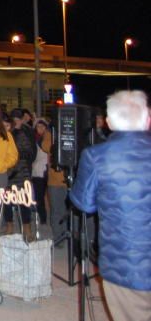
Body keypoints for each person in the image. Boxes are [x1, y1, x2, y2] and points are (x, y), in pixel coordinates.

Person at [69, 90, 151, 321]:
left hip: (125, 266)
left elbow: (83, 204)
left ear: (109, 122)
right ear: (148, 119)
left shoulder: (97, 156)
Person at [6, 108, 36, 234]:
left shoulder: (26, 132)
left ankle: (27, 227)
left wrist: (17, 155)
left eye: (19, 120)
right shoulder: (7, 133)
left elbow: (31, 152)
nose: (17, 122)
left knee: (24, 200)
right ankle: (9, 225)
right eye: (15, 120)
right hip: (8, 171)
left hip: (22, 171)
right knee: (7, 199)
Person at [31, 118, 52, 229]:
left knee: (50, 196)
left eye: (43, 126)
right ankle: (42, 218)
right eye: (38, 126)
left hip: (49, 170)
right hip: (37, 171)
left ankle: (50, 217)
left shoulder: (49, 138)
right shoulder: (33, 139)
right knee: (39, 196)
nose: (41, 129)